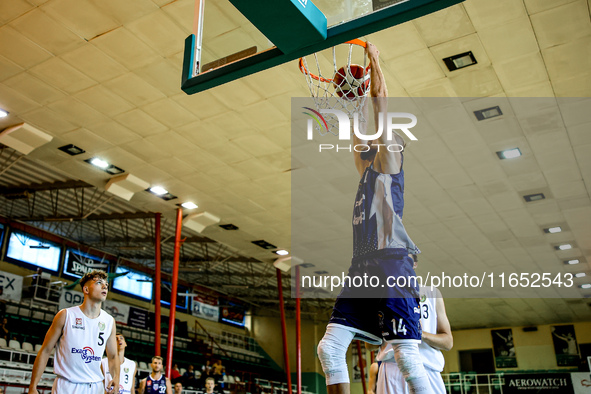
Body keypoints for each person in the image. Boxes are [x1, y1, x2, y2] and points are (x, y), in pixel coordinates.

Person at [316, 41, 428, 394]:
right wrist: (355, 99)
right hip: (361, 266)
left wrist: (374, 62)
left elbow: (382, 106)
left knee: (408, 358)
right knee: (329, 348)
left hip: (392, 264)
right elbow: (359, 130)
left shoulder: (390, 163)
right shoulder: (366, 168)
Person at [28, 270, 119, 394]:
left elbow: (113, 356)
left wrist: (116, 378)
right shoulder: (65, 315)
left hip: (95, 387)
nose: (105, 286)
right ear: (86, 290)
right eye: (99, 283)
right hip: (67, 385)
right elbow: (45, 350)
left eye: (106, 285)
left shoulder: (109, 321)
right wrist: (33, 386)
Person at [376, 256, 453, 394]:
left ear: (415, 264)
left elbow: (448, 343)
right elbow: (369, 346)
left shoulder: (431, 293)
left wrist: (419, 333)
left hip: (428, 368)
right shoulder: (379, 295)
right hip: (392, 368)